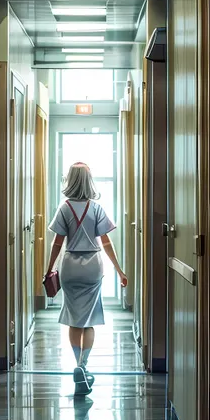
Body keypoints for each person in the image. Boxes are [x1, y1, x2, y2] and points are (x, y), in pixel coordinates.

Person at [45, 162, 128, 395]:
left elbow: (58, 242)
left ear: (69, 180)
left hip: (70, 265)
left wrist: (50, 268)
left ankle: (76, 363)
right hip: (93, 265)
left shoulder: (64, 208)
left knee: (74, 318)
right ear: (89, 181)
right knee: (89, 318)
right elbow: (107, 242)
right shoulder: (96, 208)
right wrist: (119, 271)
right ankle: (83, 364)